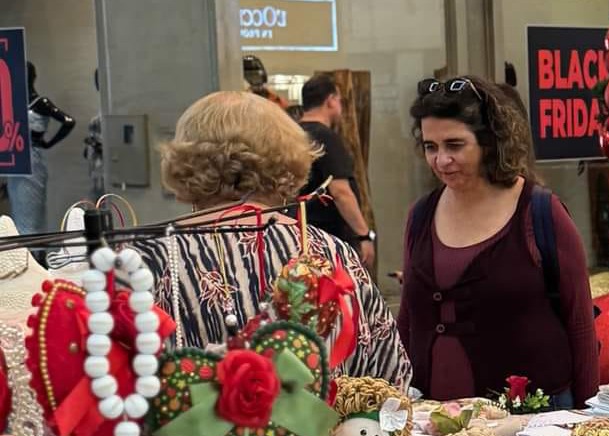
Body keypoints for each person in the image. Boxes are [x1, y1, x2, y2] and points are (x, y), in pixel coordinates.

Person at [147, 90, 411, 388]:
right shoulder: (329, 252)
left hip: (186, 434)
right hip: (330, 433)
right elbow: (389, 379)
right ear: (288, 157)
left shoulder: (148, 257)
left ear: (182, 160)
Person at [398, 75, 598, 409]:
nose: (441, 160)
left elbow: (579, 322)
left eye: (454, 145)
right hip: (435, 423)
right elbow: (408, 319)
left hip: (534, 423)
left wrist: (587, 415)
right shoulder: (420, 215)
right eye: (430, 147)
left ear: (489, 142)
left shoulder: (540, 212)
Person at [296, 74, 376, 267]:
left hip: (298, 235)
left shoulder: (290, 135)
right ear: (330, 101)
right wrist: (364, 234)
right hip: (328, 241)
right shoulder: (326, 138)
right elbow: (341, 192)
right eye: (339, 99)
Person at [8, 62, 75, 236]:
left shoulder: (41, 103)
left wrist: (48, 142)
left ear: (33, 77)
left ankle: (36, 251)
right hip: (16, 159)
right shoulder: (13, 104)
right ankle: (25, 249)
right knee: (18, 210)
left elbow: (68, 121)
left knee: (32, 210)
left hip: (32, 159)